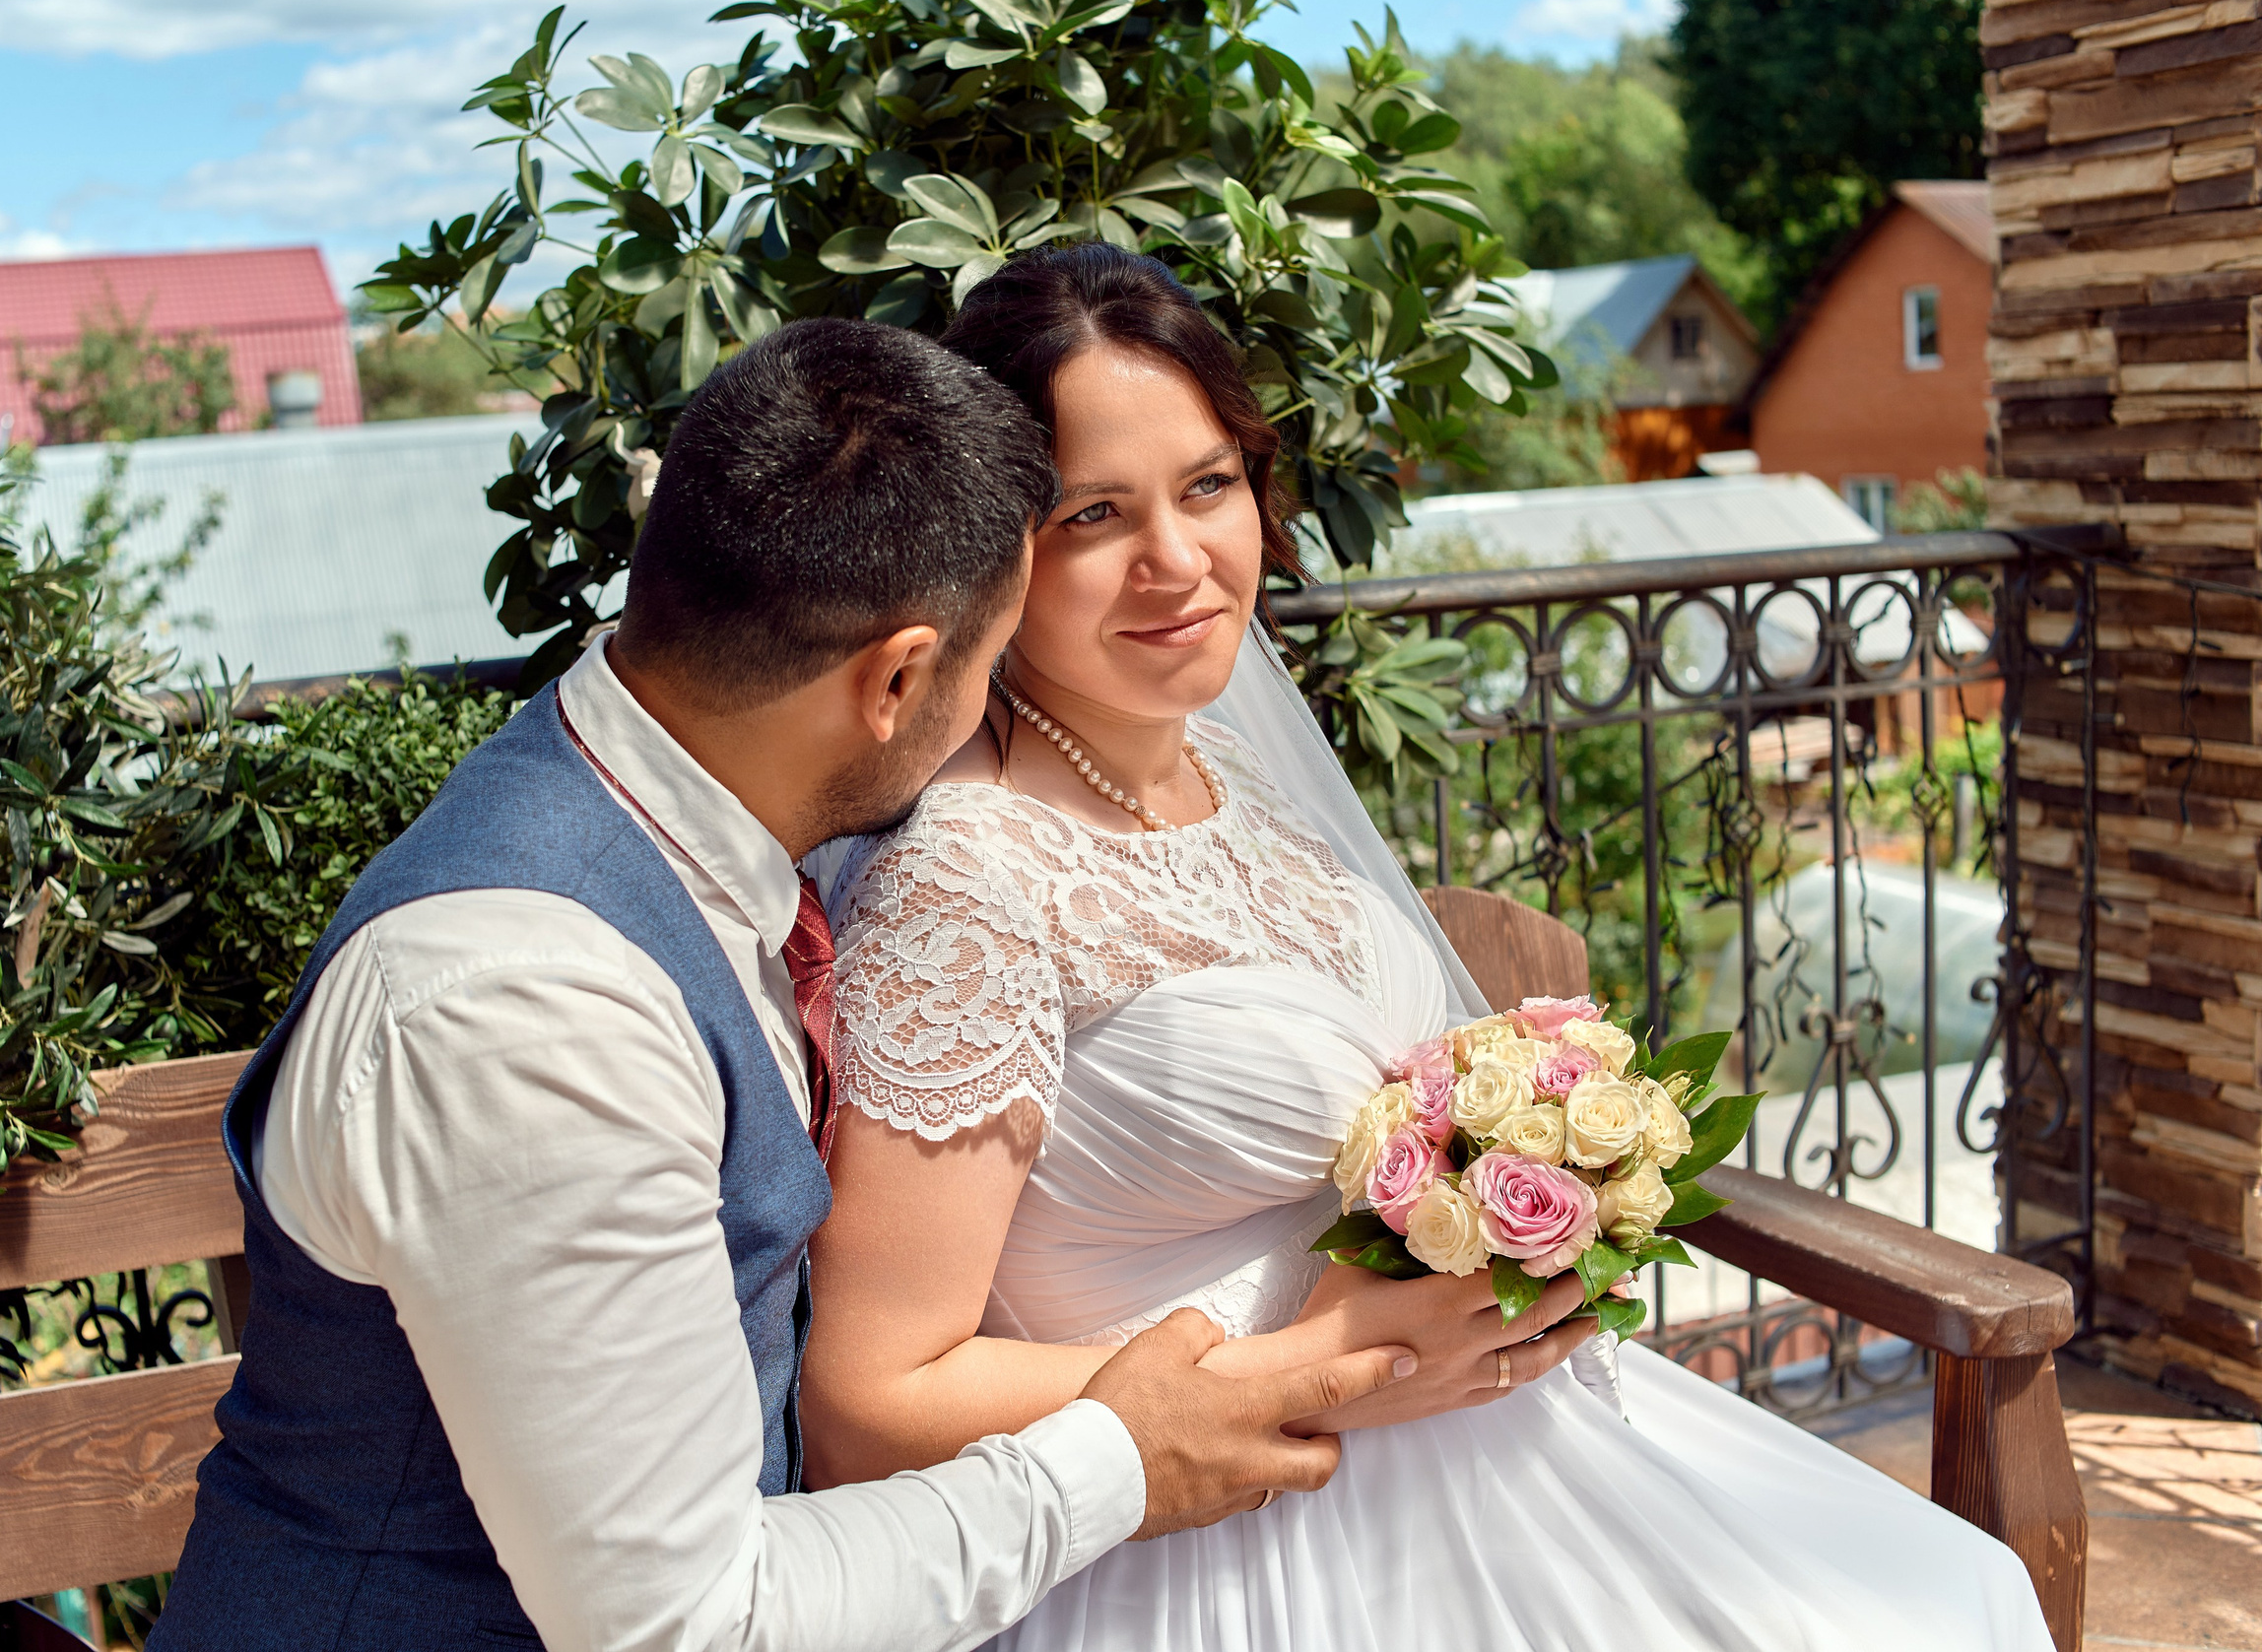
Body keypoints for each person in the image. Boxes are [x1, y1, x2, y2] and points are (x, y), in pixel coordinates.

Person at [805, 243, 2059, 1651]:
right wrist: (1318, 1370)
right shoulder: (965, 885)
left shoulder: (1237, 768)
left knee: (1942, 1599)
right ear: (996, 550)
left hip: (1503, 1466)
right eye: (1096, 513)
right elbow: (867, 1409)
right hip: (1234, 1549)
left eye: (1208, 485)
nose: (1177, 560)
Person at [147, 317, 1430, 1652]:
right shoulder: (523, 1011)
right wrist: (1119, 1458)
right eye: (990, 675)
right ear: (897, 682)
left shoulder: (667, 830)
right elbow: (688, 1624)